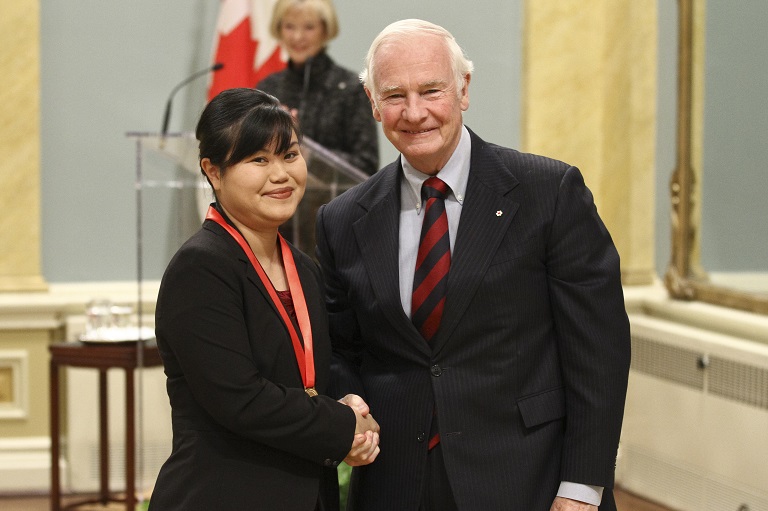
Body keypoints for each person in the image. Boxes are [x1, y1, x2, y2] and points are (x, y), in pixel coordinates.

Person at [314, 19, 631, 511]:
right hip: (395, 484)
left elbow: (599, 352)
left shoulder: (549, 193)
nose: (414, 112)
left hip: (530, 479)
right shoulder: (342, 220)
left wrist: (583, 487)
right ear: (373, 103)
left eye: (432, 90)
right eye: (395, 95)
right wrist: (350, 406)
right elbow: (340, 350)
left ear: (463, 90)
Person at [149, 88, 379, 511]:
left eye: (289, 155)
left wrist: (346, 404)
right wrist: (342, 424)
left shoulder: (304, 269)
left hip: (309, 493)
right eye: (258, 159)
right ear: (213, 171)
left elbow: (306, 378)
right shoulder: (201, 268)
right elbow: (241, 399)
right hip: (222, 494)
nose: (281, 174)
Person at [256, 0, 378, 175]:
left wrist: (304, 152)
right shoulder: (267, 87)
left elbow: (366, 165)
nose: (297, 37)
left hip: (335, 201)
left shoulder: (350, 88)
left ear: (325, 30)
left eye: (309, 27)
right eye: (289, 27)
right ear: (279, 29)